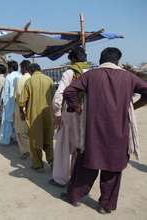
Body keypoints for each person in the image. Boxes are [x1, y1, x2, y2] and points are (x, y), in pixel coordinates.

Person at [63, 47, 147, 214]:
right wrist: (134, 106)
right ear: (118, 61)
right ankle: (105, 205)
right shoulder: (128, 77)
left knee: (86, 164)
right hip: (118, 132)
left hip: (93, 131)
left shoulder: (90, 75)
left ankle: (74, 196)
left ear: (101, 60)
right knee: (113, 169)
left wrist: (76, 107)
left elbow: (69, 91)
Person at [51, 47, 89, 187]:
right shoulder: (91, 72)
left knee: (63, 146)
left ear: (72, 59)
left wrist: (57, 113)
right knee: (80, 146)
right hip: (86, 114)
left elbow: (59, 95)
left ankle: (61, 179)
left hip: (70, 112)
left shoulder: (70, 72)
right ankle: (76, 178)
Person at [19, 63, 55, 171]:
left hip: (34, 116)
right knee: (48, 138)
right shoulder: (49, 80)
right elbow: (55, 98)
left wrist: (22, 113)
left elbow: (21, 102)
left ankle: (38, 165)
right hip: (48, 114)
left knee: (35, 141)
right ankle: (52, 161)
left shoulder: (29, 81)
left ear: (30, 71)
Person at [0, 60, 21, 145]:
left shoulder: (8, 77)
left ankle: (5, 140)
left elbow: (5, 92)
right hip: (18, 103)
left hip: (8, 103)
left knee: (7, 123)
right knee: (17, 122)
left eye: (8, 67)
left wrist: (2, 103)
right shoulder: (20, 76)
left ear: (11, 68)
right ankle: (16, 139)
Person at [14, 60, 31, 159]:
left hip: (22, 109)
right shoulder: (33, 78)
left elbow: (17, 96)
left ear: (24, 68)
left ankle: (25, 151)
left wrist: (21, 111)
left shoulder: (21, 79)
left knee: (21, 131)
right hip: (33, 109)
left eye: (21, 68)